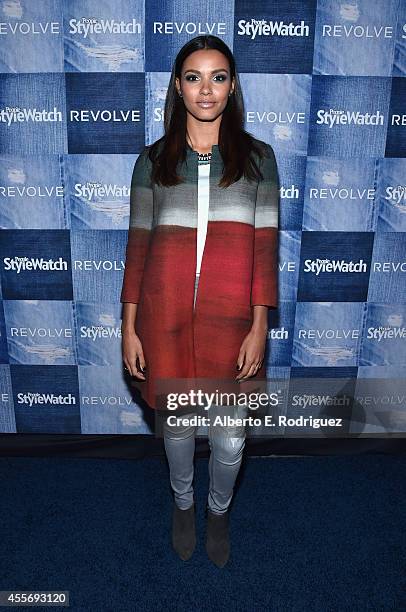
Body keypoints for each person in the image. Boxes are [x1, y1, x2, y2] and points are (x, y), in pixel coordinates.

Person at [120, 35, 279, 568]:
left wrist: (259, 327)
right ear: (178, 87)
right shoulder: (153, 161)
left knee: (231, 442)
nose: (205, 88)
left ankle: (218, 510)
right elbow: (138, 247)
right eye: (193, 76)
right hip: (163, 322)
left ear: (232, 87)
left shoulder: (259, 159)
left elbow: (264, 249)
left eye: (217, 77)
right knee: (179, 430)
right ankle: (184, 504)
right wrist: (129, 326)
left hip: (232, 324)